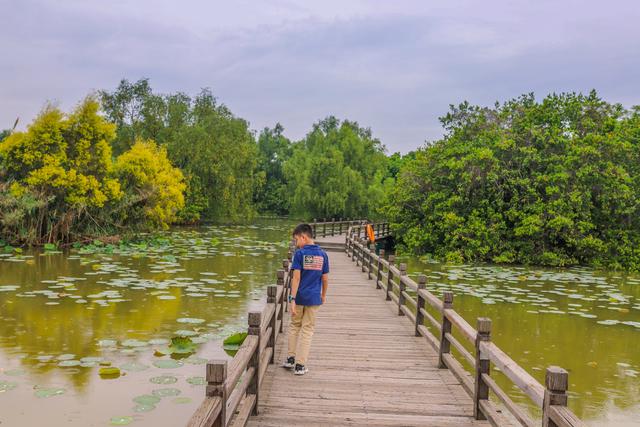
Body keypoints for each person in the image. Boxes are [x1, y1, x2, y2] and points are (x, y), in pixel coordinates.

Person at [283, 223, 329, 375]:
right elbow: (325, 279)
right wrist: (323, 295)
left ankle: (290, 358)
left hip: (300, 296)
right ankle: (300, 365)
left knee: (295, 326)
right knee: (307, 330)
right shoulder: (323, 255)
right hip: (314, 298)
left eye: (296, 240)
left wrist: (292, 298)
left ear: (303, 236)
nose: (296, 243)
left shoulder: (300, 254)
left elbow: (296, 278)